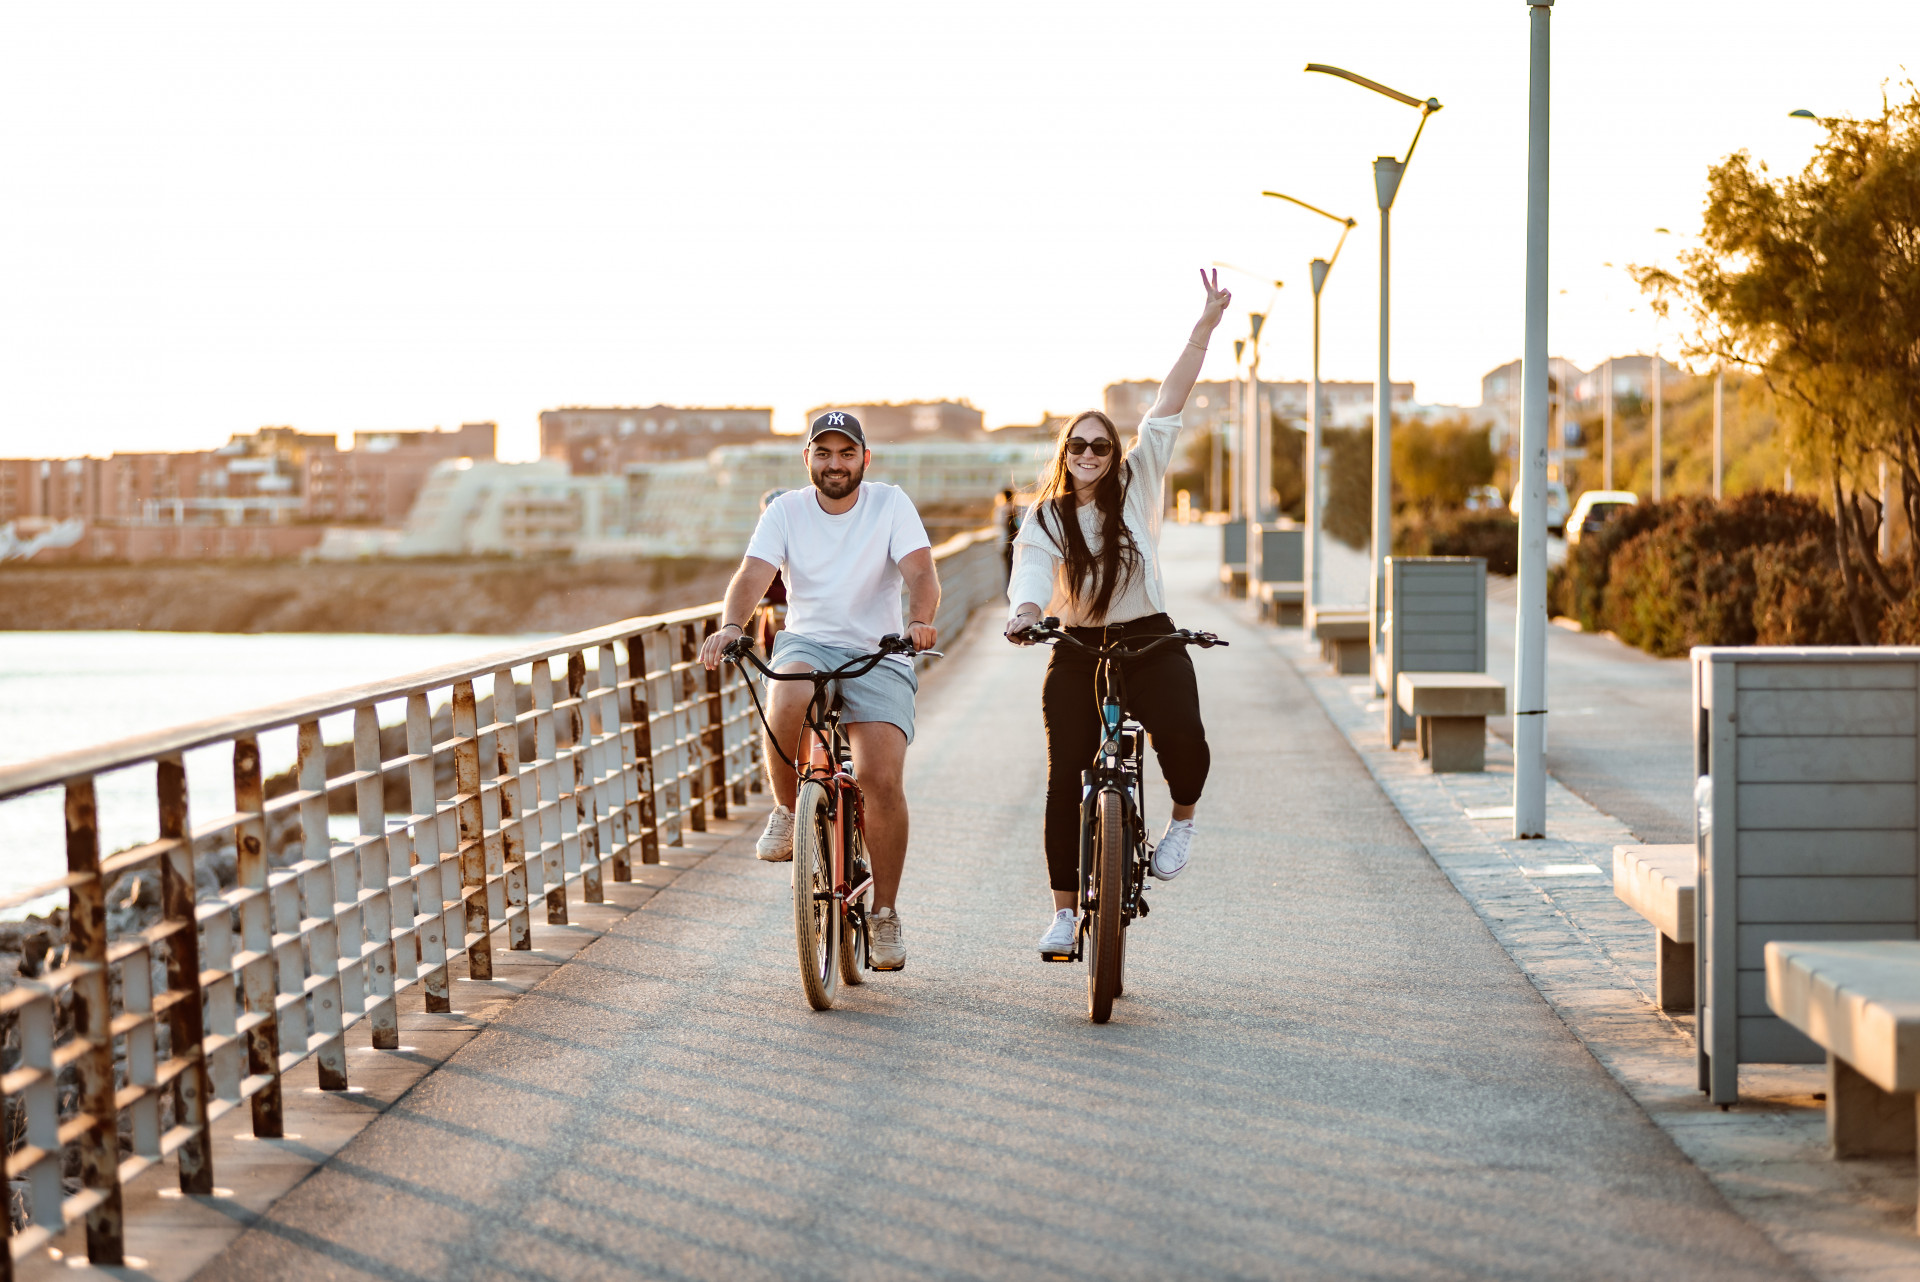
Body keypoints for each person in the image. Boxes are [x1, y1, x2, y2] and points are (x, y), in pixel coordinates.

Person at [1005, 268, 1230, 960]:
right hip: (1076, 646)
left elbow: (1170, 399)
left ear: (1115, 453)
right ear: (1064, 455)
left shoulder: (1138, 484)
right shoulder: (1045, 516)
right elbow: (1031, 574)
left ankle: (1181, 825)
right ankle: (1066, 915)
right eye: (1078, 446)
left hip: (1148, 636)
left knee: (1184, 738)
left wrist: (1203, 329)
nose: (1091, 455)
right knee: (1064, 771)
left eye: (1102, 445)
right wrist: (1024, 612)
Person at [699, 411, 940, 971]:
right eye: (824, 453)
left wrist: (921, 620)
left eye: (846, 453)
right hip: (808, 640)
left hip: (877, 647)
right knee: (786, 695)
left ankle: (884, 914)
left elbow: (922, 573)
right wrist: (732, 626)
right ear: (807, 458)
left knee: (881, 777)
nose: (836, 464)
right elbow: (753, 574)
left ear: (864, 459)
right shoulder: (786, 510)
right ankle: (788, 811)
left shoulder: (890, 504)